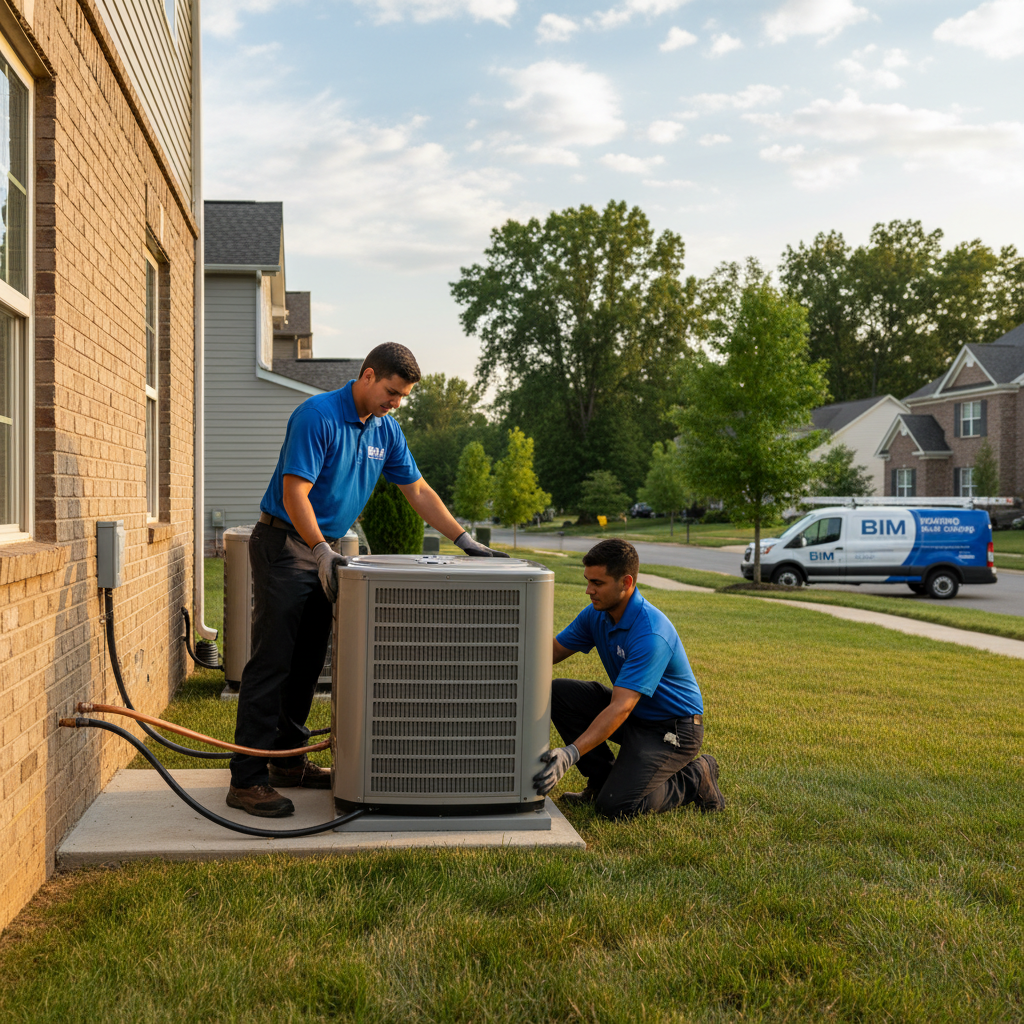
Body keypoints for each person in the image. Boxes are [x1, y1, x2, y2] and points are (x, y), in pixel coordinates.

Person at [228, 342, 507, 817]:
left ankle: (288, 763)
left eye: (402, 398)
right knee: (272, 662)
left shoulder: (386, 431)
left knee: (310, 663)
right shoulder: (317, 416)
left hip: (327, 548)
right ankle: (247, 778)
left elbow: (416, 489)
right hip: (286, 544)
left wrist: (465, 540)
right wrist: (319, 550)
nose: (395, 403)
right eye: (392, 392)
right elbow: (296, 491)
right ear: (369, 375)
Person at [533, 538, 725, 818]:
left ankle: (696, 776)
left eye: (597, 583)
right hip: (636, 715)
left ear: (625, 582)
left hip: (672, 728)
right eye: (587, 581)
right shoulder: (597, 615)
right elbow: (551, 652)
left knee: (616, 807)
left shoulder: (650, 633)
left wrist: (571, 753)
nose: (589, 590)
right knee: (561, 694)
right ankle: (601, 781)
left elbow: (620, 707)